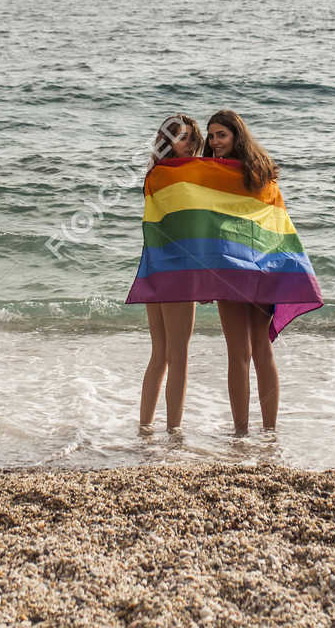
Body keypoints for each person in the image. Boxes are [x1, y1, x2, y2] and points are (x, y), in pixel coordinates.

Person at [202, 109, 319, 436]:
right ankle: (268, 432)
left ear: (236, 136)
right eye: (210, 136)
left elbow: (215, 226)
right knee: (258, 350)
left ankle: (242, 432)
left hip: (234, 272)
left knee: (241, 354)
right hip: (263, 269)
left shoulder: (213, 175)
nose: (215, 142)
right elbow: (274, 225)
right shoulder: (262, 172)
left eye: (221, 135)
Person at [134, 114, 202, 433]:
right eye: (179, 136)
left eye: (188, 137)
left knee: (160, 354)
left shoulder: (154, 173)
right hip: (177, 269)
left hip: (155, 266)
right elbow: (191, 226)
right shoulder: (184, 175)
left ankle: (145, 427)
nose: (184, 142)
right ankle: (173, 431)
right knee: (178, 356)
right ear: (167, 140)